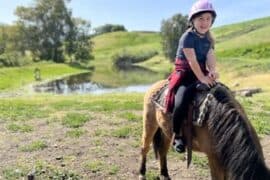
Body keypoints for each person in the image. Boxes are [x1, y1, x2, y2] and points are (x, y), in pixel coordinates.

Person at [165, 0, 219, 153]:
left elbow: (210, 55)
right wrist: (202, 78)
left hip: (201, 72)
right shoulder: (187, 37)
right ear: (193, 20)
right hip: (186, 74)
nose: (204, 22)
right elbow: (192, 60)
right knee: (181, 100)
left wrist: (213, 70)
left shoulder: (209, 38)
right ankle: (177, 135)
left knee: (221, 93)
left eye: (208, 19)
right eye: (200, 18)